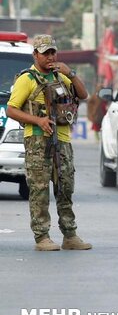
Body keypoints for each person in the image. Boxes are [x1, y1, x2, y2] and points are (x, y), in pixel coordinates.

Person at [6, 35, 91, 251]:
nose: (50, 57)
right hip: (37, 141)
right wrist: (38, 120)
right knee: (39, 189)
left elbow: (83, 94)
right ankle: (42, 237)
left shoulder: (61, 77)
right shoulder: (27, 79)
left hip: (62, 141)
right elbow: (11, 109)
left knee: (65, 188)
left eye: (53, 52)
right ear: (35, 55)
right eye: (45, 53)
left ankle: (70, 235)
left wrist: (69, 72)